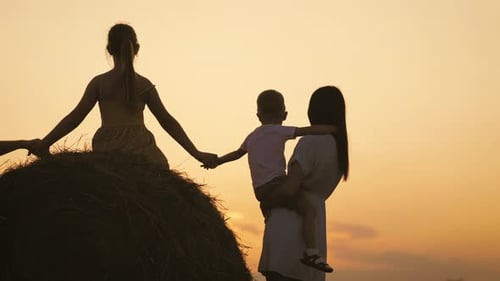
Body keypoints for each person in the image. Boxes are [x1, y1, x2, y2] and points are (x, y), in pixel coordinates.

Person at [30, 24, 216, 168]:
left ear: (109, 50)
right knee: (159, 173)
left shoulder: (99, 82)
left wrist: (46, 143)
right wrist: (196, 153)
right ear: (137, 48)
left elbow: (75, 117)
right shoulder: (144, 84)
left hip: (107, 146)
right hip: (140, 147)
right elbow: (167, 120)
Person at [204, 89, 335, 272]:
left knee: (276, 202)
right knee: (309, 209)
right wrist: (331, 129)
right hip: (276, 184)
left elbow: (237, 154)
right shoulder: (279, 131)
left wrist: (217, 161)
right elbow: (308, 130)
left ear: (258, 115)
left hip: (259, 190)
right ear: (284, 114)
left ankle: (267, 209)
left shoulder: (252, 136)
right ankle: (312, 252)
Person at [258, 86, 349, 281]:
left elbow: (290, 189)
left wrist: (267, 200)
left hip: (287, 225)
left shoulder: (309, 143)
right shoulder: (339, 149)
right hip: (315, 229)